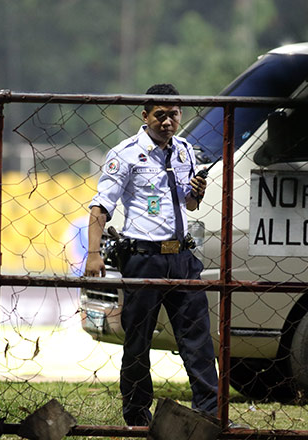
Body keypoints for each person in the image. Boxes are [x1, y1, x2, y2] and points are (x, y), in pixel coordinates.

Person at [84, 83, 218, 426]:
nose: (168, 122)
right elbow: (102, 205)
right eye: (160, 115)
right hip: (144, 258)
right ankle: (137, 415)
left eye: (173, 114)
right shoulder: (126, 153)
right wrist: (94, 253)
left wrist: (196, 194)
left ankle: (209, 412)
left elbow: (188, 203)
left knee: (198, 338)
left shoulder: (185, 151)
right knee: (138, 339)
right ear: (145, 116)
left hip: (182, 257)